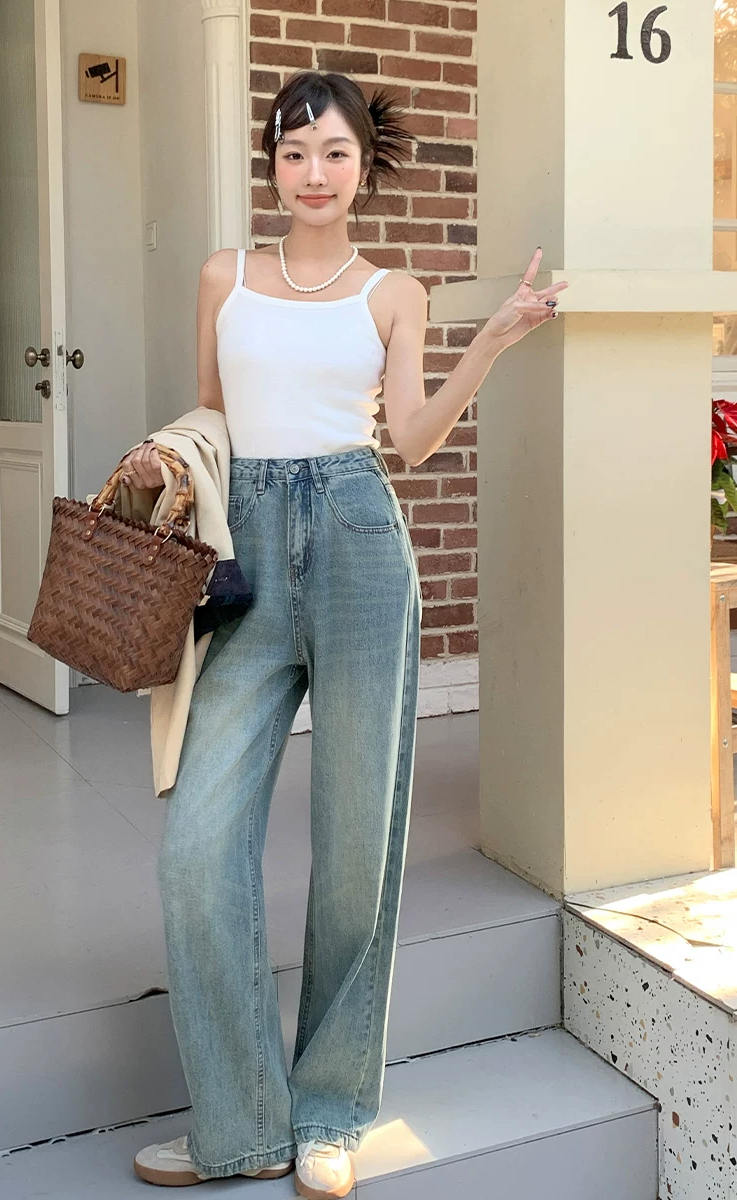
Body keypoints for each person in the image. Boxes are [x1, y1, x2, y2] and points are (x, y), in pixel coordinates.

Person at [127, 70, 568, 1199]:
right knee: (196, 846)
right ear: (271, 165)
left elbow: (410, 440)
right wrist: (170, 455)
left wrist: (493, 340)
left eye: (334, 153)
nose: (313, 173)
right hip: (246, 553)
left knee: (357, 845)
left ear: (365, 166)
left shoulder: (393, 292)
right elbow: (213, 412)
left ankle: (328, 1112)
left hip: (361, 542)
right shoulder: (224, 277)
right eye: (293, 152)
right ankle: (240, 1124)